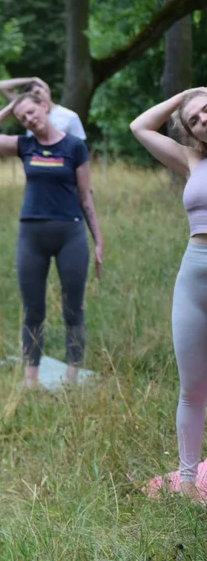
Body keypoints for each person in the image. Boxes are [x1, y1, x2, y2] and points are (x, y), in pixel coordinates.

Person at [0, 88, 103, 390]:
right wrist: (10, 108)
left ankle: (72, 377)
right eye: (22, 117)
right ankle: (31, 380)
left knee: (73, 308)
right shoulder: (23, 145)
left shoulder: (74, 146)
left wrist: (99, 241)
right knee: (33, 309)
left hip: (71, 233)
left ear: (45, 107)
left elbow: (86, 197)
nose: (28, 119)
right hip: (31, 235)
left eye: (32, 112)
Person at [130, 88, 207, 503]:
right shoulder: (193, 159)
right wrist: (184, 96)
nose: (202, 119)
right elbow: (139, 126)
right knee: (193, 389)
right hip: (194, 275)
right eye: (194, 119)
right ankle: (190, 483)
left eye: (206, 110)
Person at [0, 77, 87, 140]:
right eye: (33, 96)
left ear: (46, 89)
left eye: (38, 92)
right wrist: (32, 79)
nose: (37, 97)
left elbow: (80, 148)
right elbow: (2, 86)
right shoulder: (27, 112)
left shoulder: (70, 116)